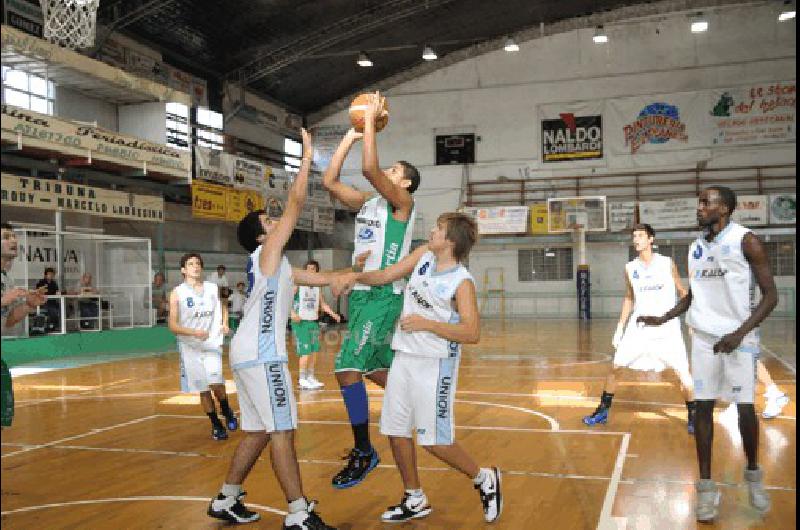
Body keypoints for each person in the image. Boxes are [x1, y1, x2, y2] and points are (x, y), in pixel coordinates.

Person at [334, 212, 502, 524]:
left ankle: (484, 477)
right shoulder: (423, 255)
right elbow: (385, 276)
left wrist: (427, 323)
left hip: (435, 365)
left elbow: (472, 332)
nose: (432, 232)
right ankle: (414, 497)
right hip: (404, 357)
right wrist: (354, 277)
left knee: (435, 441)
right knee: (395, 431)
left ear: (450, 241)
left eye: (439, 229)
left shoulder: (461, 281)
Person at [207, 128, 337, 529]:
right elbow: (296, 203)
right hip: (264, 355)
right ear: (262, 236)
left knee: (259, 431)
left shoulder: (275, 266)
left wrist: (359, 274)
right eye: (268, 219)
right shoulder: (268, 252)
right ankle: (298, 512)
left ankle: (226, 499)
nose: (275, 219)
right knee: (282, 430)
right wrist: (306, 159)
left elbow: (317, 279)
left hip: (247, 353)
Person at [638, 186, 777, 523]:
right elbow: (694, 296)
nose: (699, 208)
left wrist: (739, 333)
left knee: (745, 410)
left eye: (706, 203)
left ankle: (753, 474)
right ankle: (705, 487)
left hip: (739, 338)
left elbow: (771, 296)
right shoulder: (696, 247)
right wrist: (664, 317)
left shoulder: (747, 241)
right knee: (702, 408)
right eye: (700, 202)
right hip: (703, 338)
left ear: (725, 209)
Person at [322, 91, 421, 489]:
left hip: (382, 296)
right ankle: (420, 399)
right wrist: (351, 134)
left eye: (395, 170)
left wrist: (369, 127)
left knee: (346, 369)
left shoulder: (403, 203)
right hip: (364, 294)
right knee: (378, 368)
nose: (389, 172)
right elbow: (329, 181)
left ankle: (364, 449)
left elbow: (368, 168)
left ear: (406, 182)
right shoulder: (368, 204)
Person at [583, 224, 695, 433]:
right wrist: (619, 327)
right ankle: (602, 411)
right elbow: (629, 297)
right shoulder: (630, 267)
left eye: (641, 236)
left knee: (683, 374)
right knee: (615, 368)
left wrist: (692, 321)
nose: (636, 240)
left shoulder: (666, 263)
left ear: (651, 239)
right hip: (639, 328)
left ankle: (693, 415)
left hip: (666, 328)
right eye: (634, 236)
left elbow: (682, 291)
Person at [168, 253, 238, 441]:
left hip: (211, 343)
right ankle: (216, 424)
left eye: (198, 263)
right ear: (183, 270)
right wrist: (193, 333)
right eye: (190, 264)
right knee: (203, 389)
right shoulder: (177, 293)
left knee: (216, 382)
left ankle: (226, 409)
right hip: (190, 347)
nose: (195, 266)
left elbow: (223, 306)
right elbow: (173, 326)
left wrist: (224, 323)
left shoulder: (212, 288)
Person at [1, 222, 47, 428]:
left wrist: (29, 305)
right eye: (5, 236)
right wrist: (2, 300)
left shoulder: (6, 279)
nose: (13, 240)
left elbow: (8, 320)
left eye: (13, 236)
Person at [291, 260, 341, 390]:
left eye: (313, 269)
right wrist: (291, 313)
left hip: (313, 322)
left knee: (314, 351)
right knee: (306, 352)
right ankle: (302, 379)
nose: (310, 271)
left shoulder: (318, 287)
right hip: (301, 322)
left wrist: (333, 314)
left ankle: (310, 377)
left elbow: (322, 304)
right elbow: (286, 298)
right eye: (307, 268)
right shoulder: (298, 284)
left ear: (316, 271)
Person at [35, 266, 61, 332]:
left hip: (53, 302)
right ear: (45, 275)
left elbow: (57, 292)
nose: (51, 276)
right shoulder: (41, 282)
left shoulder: (54, 283)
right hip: (43, 302)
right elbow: (38, 291)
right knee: (52, 310)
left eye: (52, 274)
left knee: (60, 308)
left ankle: (54, 326)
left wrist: (58, 293)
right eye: (49, 274)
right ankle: (49, 327)